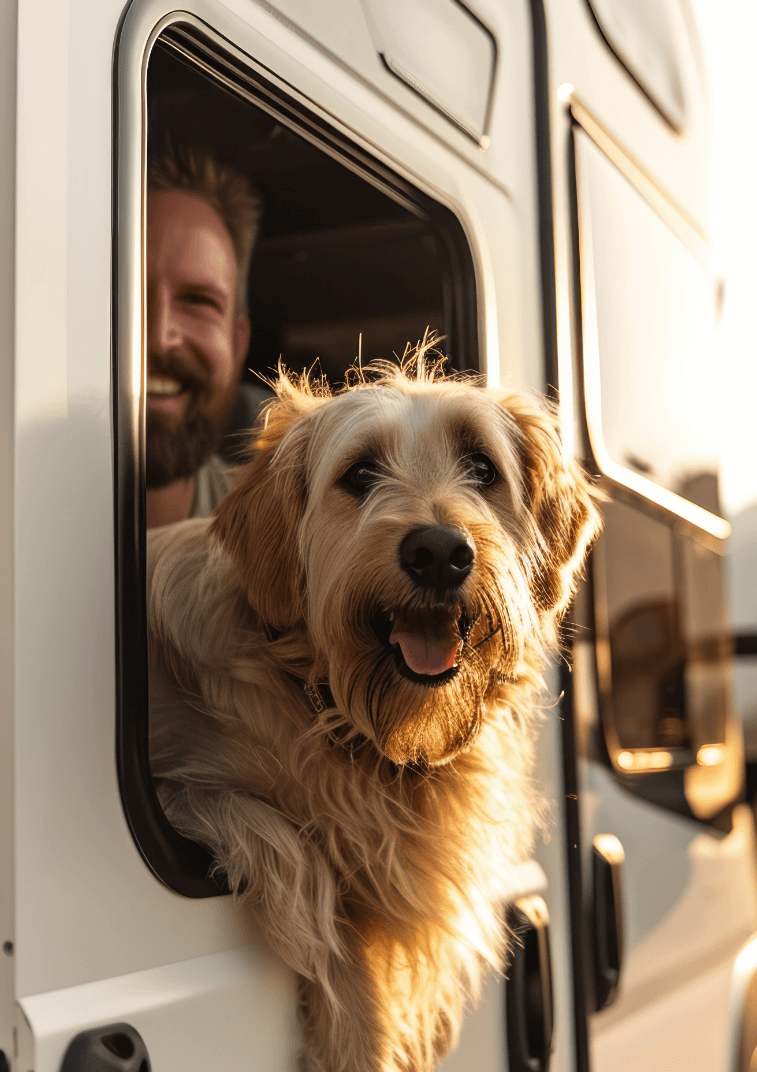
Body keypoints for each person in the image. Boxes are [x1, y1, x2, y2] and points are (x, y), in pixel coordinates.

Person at [145, 146, 264, 528]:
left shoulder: (266, 540)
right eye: (121, 294)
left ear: (238, 342)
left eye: (197, 301)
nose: (159, 338)